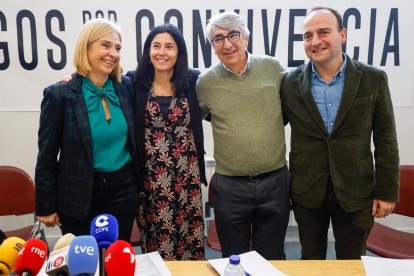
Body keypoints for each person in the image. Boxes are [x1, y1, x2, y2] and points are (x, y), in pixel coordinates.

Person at [281, 7, 400, 260]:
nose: (315, 41)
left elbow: (386, 140)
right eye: (307, 35)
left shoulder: (373, 79)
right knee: (310, 260)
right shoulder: (289, 82)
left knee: (353, 263)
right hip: (307, 191)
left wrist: (387, 192)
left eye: (323, 32)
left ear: (342, 34)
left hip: (357, 191)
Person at [196, 11, 291, 260]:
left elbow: (287, 111)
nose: (227, 44)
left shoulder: (273, 68)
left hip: (275, 182)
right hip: (230, 187)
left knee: (270, 258)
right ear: (213, 46)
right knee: (233, 259)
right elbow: (203, 117)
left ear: (246, 38)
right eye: (218, 38)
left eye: (233, 35)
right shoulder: (205, 83)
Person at [35, 18, 139, 241]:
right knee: (84, 263)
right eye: (106, 45)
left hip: (123, 192)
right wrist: (45, 205)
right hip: (78, 195)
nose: (113, 53)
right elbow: (46, 155)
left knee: (116, 261)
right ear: (86, 47)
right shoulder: (60, 95)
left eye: (118, 48)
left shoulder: (126, 87)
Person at [126, 23, 207, 260]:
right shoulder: (133, 83)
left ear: (179, 52)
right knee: (157, 246)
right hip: (151, 182)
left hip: (187, 180)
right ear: (148, 51)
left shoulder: (192, 81)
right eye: (156, 46)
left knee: (190, 240)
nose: (162, 52)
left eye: (169, 46)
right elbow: (99, 82)